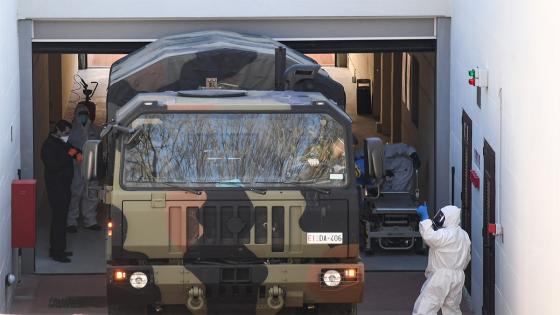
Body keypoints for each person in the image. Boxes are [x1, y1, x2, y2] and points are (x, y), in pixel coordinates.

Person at [413, 204, 471, 315]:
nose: (439, 218)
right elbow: (467, 258)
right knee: (452, 308)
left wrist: (425, 218)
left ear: (448, 218)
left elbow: (429, 237)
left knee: (425, 307)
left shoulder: (445, 234)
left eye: (441, 216)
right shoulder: (464, 235)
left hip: (441, 276)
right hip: (458, 276)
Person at [41, 120, 82, 263]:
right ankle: (57, 252)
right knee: (58, 220)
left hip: (64, 188)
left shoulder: (61, 142)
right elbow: (54, 165)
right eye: (65, 133)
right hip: (56, 189)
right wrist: (69, 156)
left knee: (62, 219)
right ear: (58, 130)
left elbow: (74, 151)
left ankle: (60, 248)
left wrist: (77, 155)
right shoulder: (48, 146)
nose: (67, 136)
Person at [67, 104, 101, 232]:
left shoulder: (95, 130)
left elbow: (101, 146)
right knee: (75, 193)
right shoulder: (70, 131)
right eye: (80, 114)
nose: (83, 117)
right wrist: (75, 156)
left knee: (91, 193)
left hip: (92, 167)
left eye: (85, 114)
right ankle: (71, 221)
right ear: (76, 115)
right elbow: (65, 148)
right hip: (76, 168)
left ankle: (90, 220)